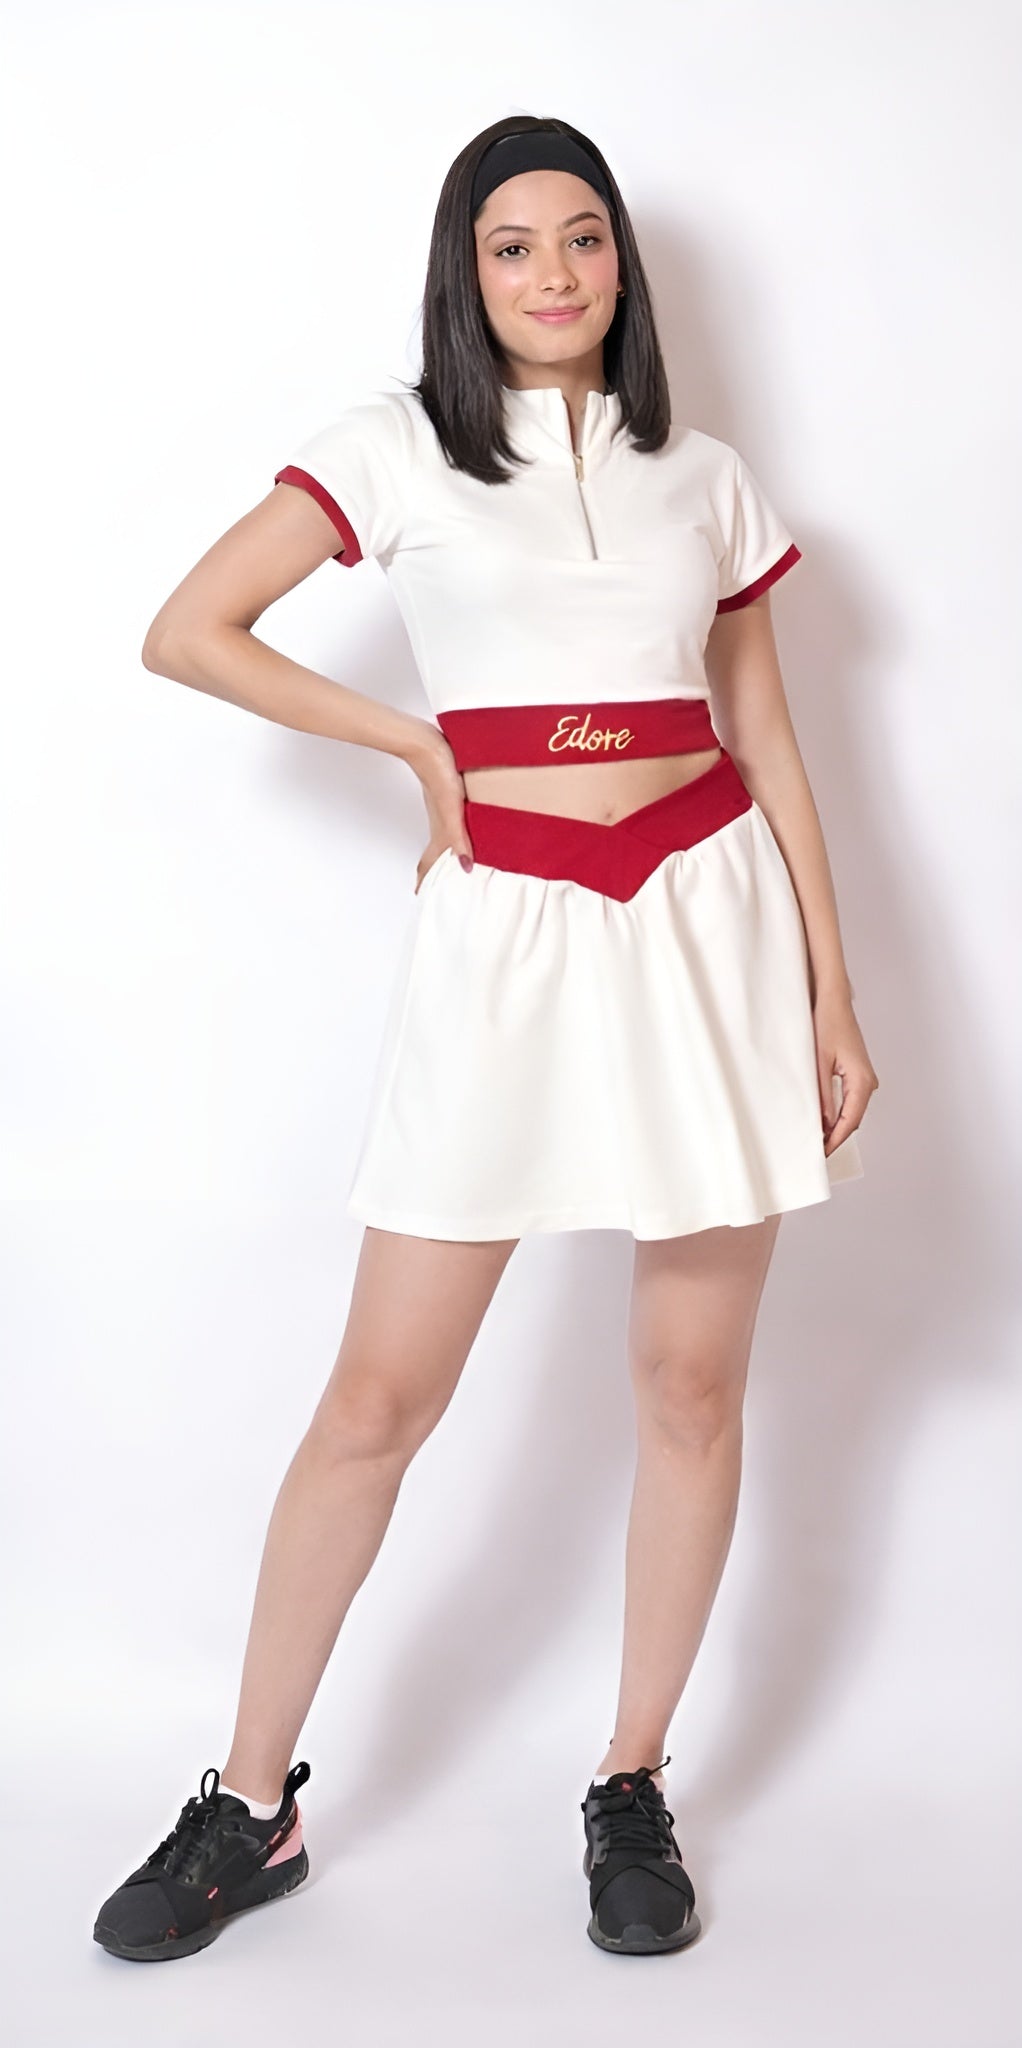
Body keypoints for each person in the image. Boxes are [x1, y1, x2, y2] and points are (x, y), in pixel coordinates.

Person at [92, 115, 878, 1965]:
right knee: (378, 1401)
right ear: (465, 271)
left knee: (688, 1386)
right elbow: (188, 631)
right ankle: (249, 1805)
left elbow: (767, 745)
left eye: (582, 238)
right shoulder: (396, 445)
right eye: (511, 245)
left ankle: (629, 1781)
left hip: (703, 921)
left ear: (621, 265)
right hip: (505, 935)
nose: (551, 273)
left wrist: (831, 992)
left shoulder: (703, 475)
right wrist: (415, 748)